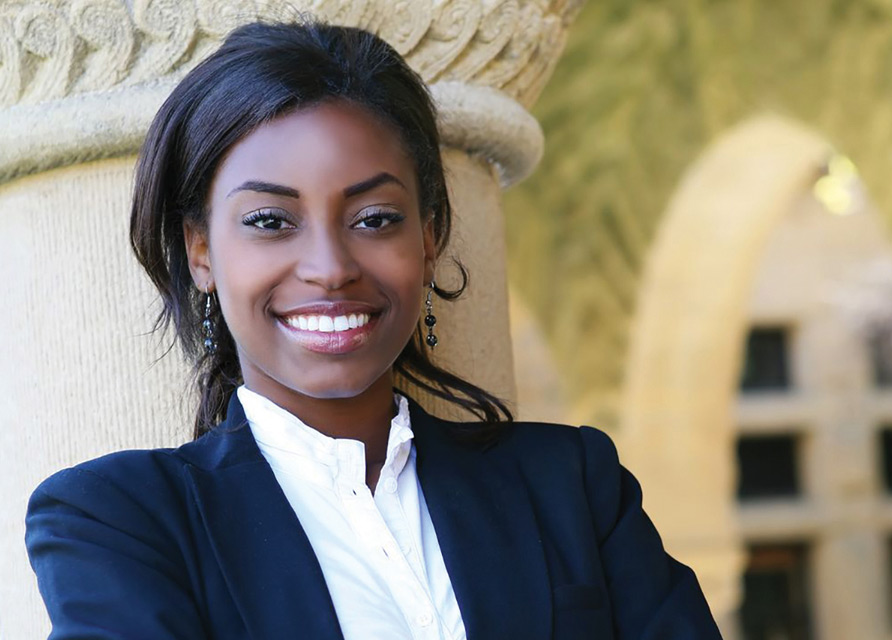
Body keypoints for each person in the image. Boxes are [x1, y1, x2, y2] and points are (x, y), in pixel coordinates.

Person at [24, 20, 722, 640]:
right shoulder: (118, 521)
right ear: (200, 251)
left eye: (375, 219)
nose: (330, 269)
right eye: (270, 221)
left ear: (429, 237)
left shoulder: (571, 487)